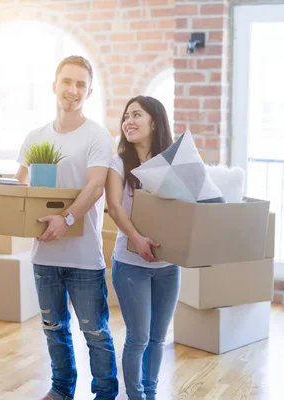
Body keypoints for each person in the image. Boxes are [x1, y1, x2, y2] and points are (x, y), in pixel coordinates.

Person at [14, 55, 118, 400]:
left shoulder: (97, 136)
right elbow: (22, 187)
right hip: (44, 253)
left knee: (95, 332)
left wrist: (67, 219)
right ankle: (61, 390)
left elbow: (95, 186)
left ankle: (104, 393)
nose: (72, 91)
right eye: (67, 82)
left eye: (80, 85)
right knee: (53, 329)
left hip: (83, 256)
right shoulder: (34, 137)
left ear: (89, 93)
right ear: (54, 86)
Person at [105, 96, 181, 400]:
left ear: (155, 121)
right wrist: (138, 240)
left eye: (137, 114)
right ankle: (136, 396)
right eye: (126, 116)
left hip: (167, 266)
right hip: (131, 265)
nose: (128, 121)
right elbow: (113, 207)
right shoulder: (118, 163)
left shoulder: (171, 164)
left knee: (158, 340)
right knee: (138, 338)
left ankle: (150, 395)